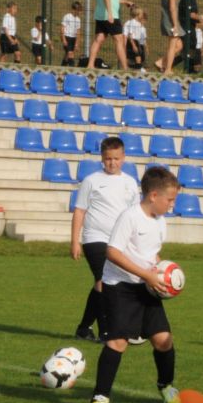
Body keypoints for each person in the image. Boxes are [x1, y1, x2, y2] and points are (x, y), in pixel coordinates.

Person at [88, 166, 184, 403]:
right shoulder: (130, 217)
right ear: (153, 195)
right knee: (118, 341)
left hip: (146, 287)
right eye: (170, 199)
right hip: (120, 287)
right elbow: (112, 252)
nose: (172, 204)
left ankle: (166, 387)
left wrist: (163, 273)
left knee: (163, 339)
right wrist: (147, 275)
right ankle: (99, 398)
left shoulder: (160, 221)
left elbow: (152, 253)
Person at [71, 136, 142, 343]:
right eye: (108, 159)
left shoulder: (130, 183)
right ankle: (106, 332)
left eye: (116, 158)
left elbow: (134, 215)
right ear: (102, 158)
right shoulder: (91, 181)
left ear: (123, 157)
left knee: (105, 283)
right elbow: (80, 211)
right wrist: (75, 241)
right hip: (94, 238)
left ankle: (84, 328)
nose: (112, 163)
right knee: (103, 280)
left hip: (118, 241)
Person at [87, 0, 132, 70]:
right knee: (119, 40)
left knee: (99, 39)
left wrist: (126, 2)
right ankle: (125, 68)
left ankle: (90, 65)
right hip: (110, 16)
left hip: (100, 15)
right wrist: (110, 14)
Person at [154, 0, 183, 74]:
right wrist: (175, 25)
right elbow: (172, 8)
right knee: (172, 45)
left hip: (168, 20)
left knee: (179, 45)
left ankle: (161, 62)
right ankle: (168, 69)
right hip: (171, 21)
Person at [177, 0, 203, 75]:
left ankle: (189, 70)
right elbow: (191, 14)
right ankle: (188, 70)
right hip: (186, 28)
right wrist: (200, 17)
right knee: (188, 48)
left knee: (189, 48)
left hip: (188, 27)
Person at [124, 6, 147, 71]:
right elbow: (130, 34)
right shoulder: (132, 22)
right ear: (137, 15)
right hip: (132, 40)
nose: (142, 15)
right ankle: (138, 68)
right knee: (137, 54)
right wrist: (133, 44)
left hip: (136, 41)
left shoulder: (138, 23)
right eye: (141, 14)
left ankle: (137, 67)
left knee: (137, 54)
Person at [61, 1, 82, 66]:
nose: (79, 12)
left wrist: (77, 43)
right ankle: (72, 68)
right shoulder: (67, 16)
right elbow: (62, 28)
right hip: (67, 37)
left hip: (73, 38)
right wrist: (63, 39)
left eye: (80, 10)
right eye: (78, 10)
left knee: (67, 55)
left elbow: (78, 32)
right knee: (70, 54)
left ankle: (62, 67)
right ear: (73, 9)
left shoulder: (78, 19)